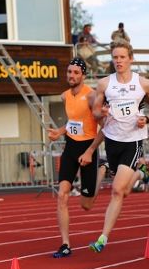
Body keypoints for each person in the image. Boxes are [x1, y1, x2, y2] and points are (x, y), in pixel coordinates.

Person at [90, 40, 149, 253]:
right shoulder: (105, 84)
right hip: (112, 141)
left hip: (132, 142)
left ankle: (103, 238)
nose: (118, 61)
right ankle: (140, 175)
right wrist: (102, 113)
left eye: (122, 57)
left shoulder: (143, 83)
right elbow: (95, 112)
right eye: (115, 57)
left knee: (116, 190)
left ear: (130, 58)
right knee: (123, 191)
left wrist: (146, 119)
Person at [47, 58, 106, 258]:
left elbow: (105, 128)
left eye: (75, 73)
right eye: (69, 72)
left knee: (86, 205)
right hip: (71, 148)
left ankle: (102, 170)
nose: (71, 76)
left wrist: (90, 151)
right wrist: (59, 131)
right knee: (62, 195)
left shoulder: (91, 97)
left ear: (83, 75)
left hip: (88, 147)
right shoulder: (64, 96)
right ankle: (65, 244)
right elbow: (74, 121)